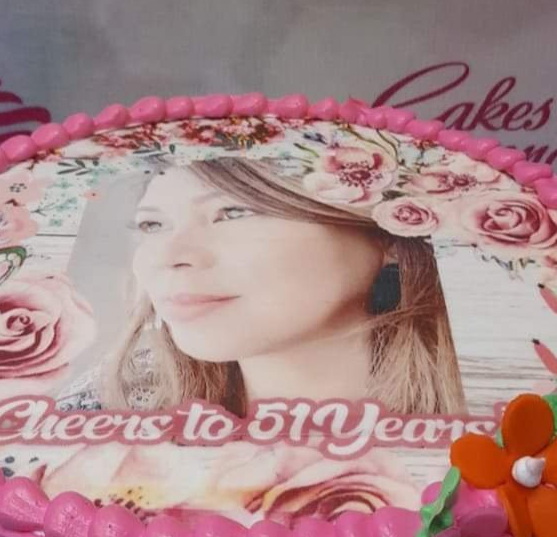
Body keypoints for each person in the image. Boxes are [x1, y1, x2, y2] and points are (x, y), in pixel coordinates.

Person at [83, 155, 466, 417]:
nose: (168, 256)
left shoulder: (493, 420)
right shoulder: (105, 408)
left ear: (392, 236)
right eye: (152, 225)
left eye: (233, 212)